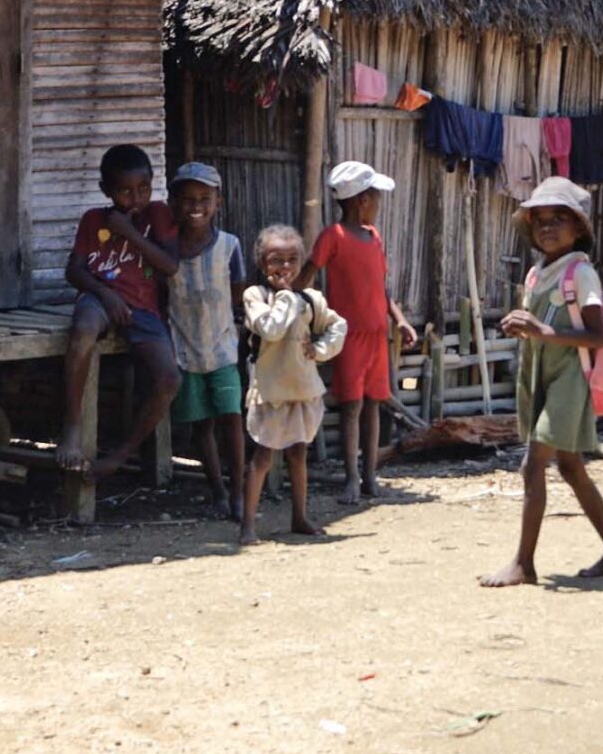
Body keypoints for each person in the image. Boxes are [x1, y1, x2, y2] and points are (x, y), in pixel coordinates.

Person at [481, 177, 603, 587]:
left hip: (569, 377)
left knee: (533, 465)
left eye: (558, 218)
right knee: (569, 465)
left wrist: (542, 333)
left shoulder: (581, 273)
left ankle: (524, 564)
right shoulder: (537, 274)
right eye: (540, 219)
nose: (547, 227)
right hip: (539, 373)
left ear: (579, 227)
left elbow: (597, 336)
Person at [58, 145, 182, 480]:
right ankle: (72, 426)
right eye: (125, 192)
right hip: (101, 300)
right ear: (106, 191)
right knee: (83, 327)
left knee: (170, 379)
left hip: (143, 308)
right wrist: (104, 293)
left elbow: (170, 265)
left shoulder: (157, 215)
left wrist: (128, 232)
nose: (136, 198)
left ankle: (118, 457)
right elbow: (75, 271)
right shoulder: (94, 220)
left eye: (143, 189)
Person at [302, 160, 418, 504]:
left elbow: (381, 289)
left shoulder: (373, 237)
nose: (379, 205)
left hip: (377, 336)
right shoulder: (332, 237)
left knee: (374, 405)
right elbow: (309, 271)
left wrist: (399, 319)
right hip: (348, 337)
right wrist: (286, 302)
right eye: (376, 198)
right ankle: (352, 478)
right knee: (351, 406)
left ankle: (370, 476)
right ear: (360, 201)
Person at [240, 225, 345, 542]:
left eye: (292, 260)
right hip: (271, 393)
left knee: (299, 455)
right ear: (262, 264)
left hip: (301, 390)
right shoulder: (256, 297)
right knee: (262, 458)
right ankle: (247, 524)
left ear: (301, 263)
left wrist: (321, 350)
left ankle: (299, 516)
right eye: (276, 260)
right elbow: (271, 330)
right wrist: (286, 296)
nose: (284, 267)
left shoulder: (311, 300)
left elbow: (338, 326)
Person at [164, 163, 248, 517]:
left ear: (218, 202)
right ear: (173, 203)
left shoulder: (230, 246)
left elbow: (238, 296)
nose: (195, 206)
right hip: (185, 352)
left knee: (232, 419)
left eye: (204, 199)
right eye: (187, 199)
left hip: (224, 350)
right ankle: (218, 491)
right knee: (202, 427)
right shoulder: (165, 251)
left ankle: (240, 493)